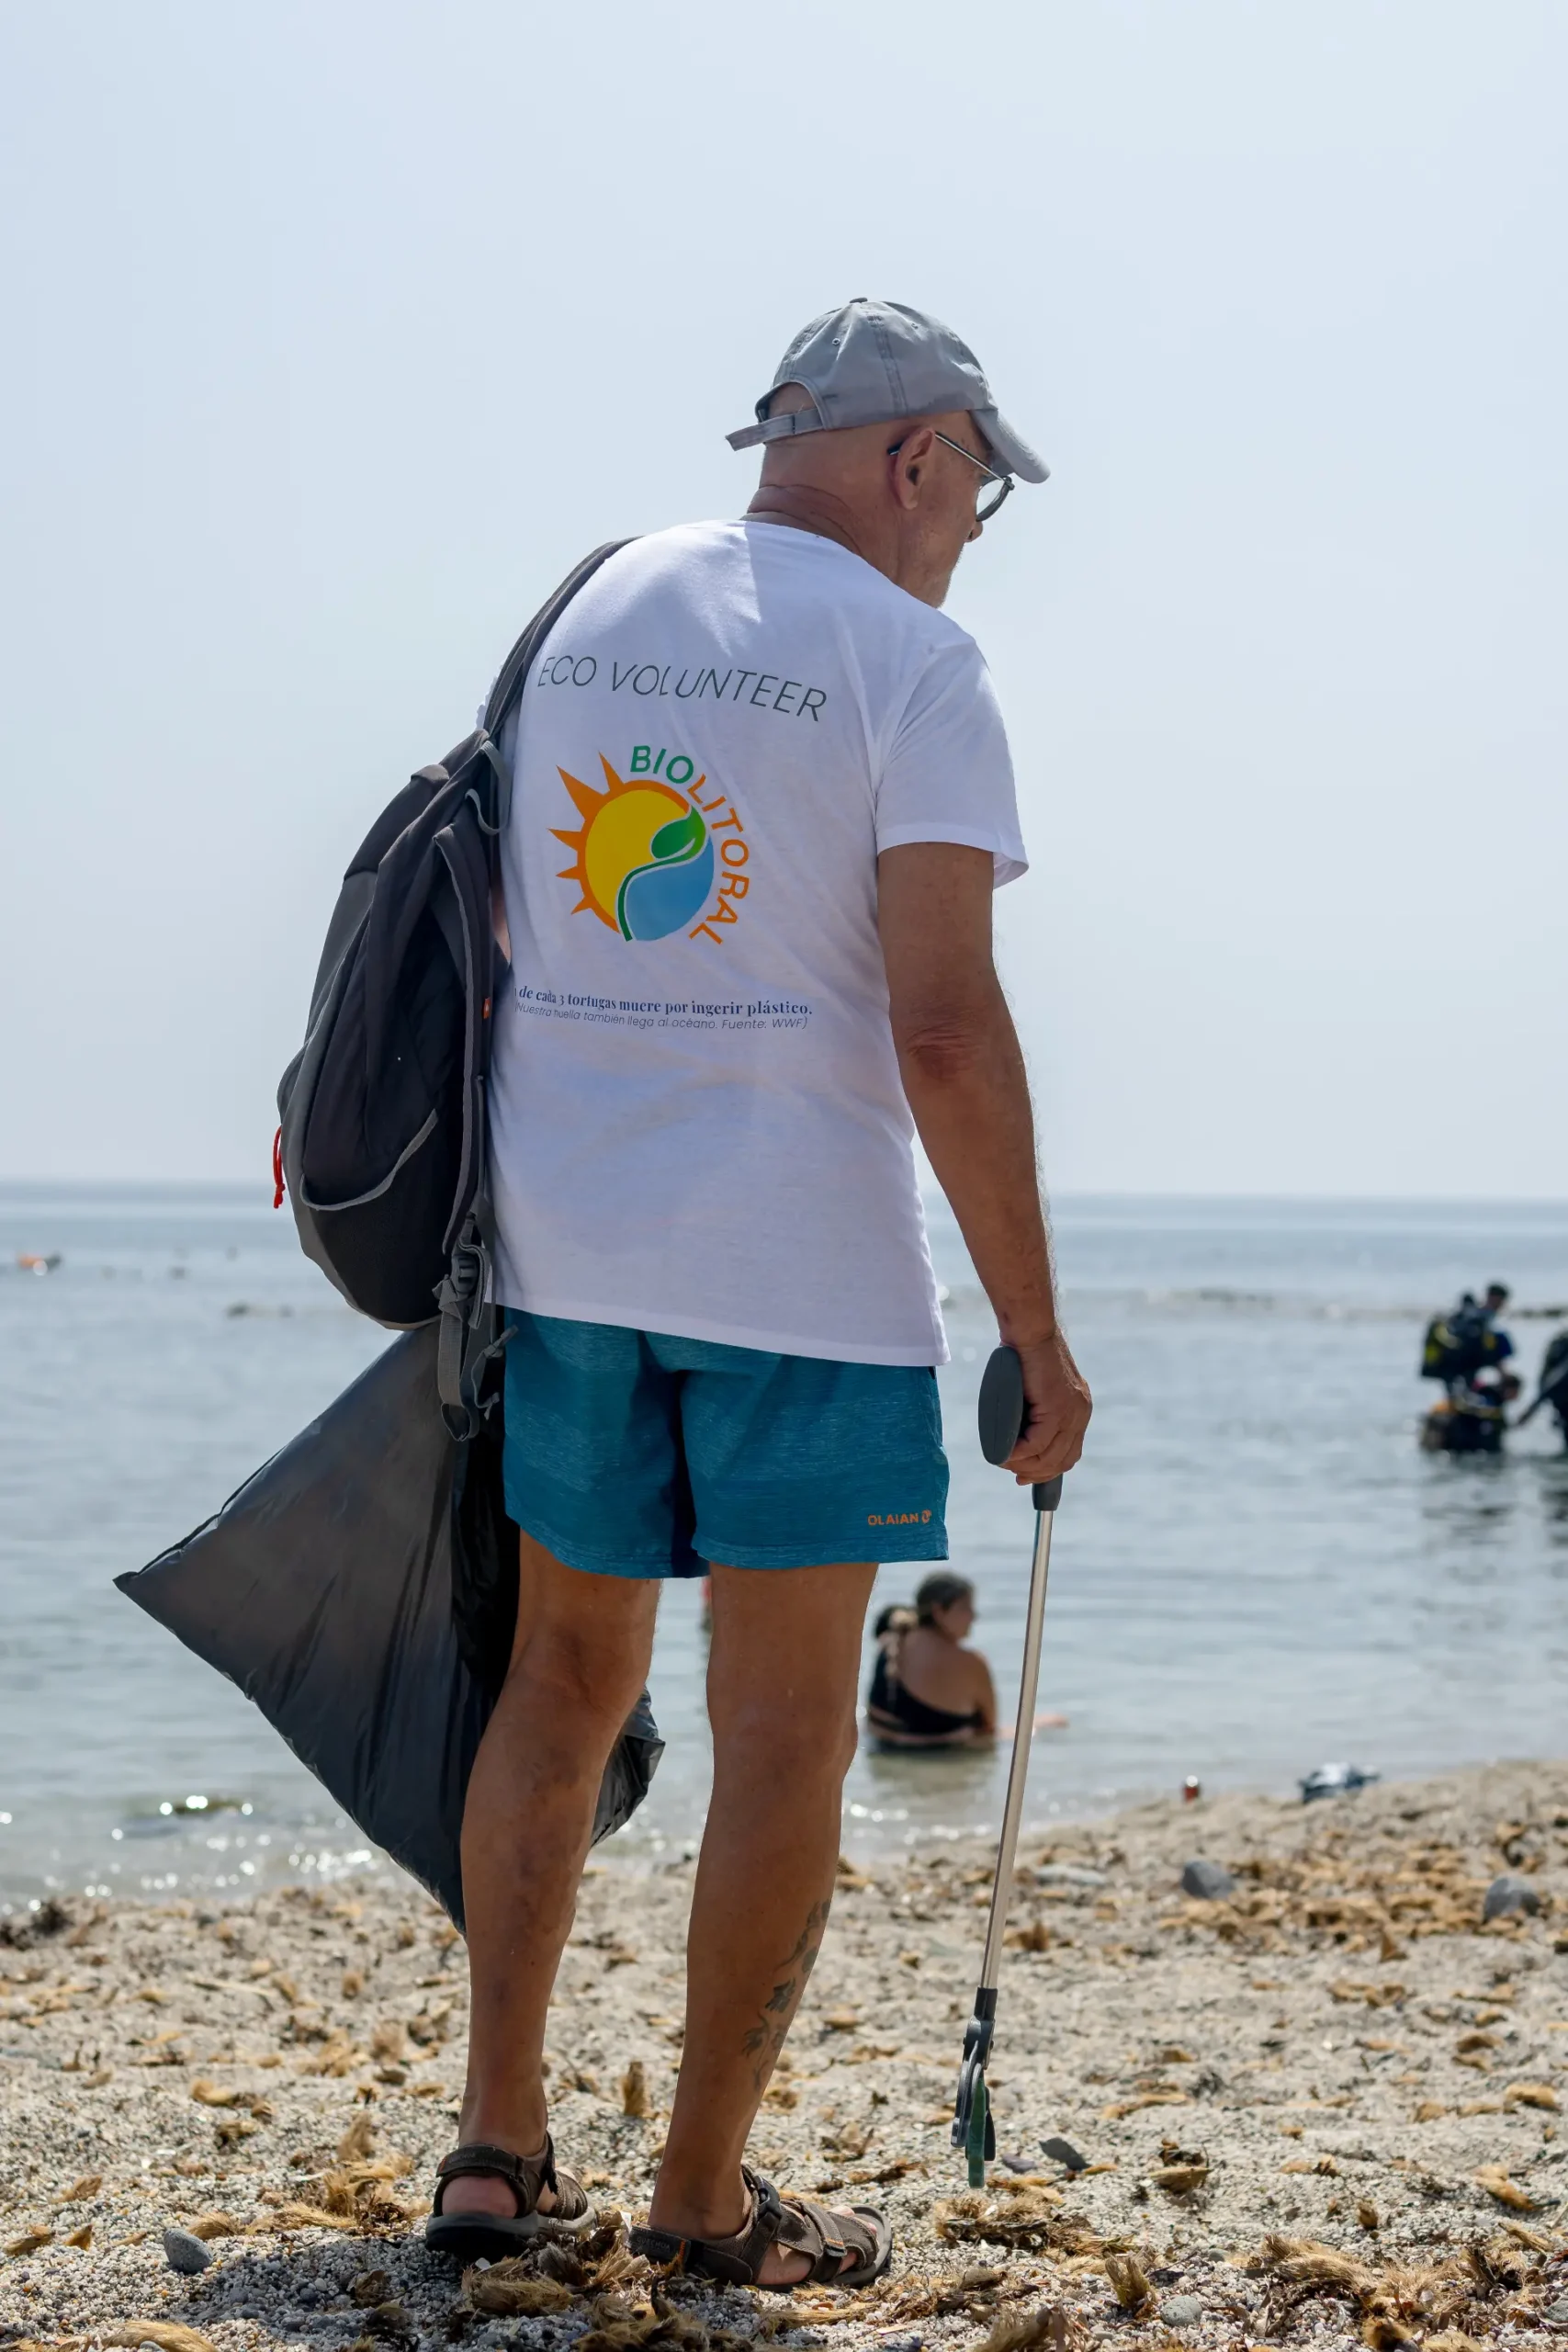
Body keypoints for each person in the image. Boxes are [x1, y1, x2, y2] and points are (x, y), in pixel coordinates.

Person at [427, 299, 1092, 2288]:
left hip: (567, 1250)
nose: (971, 527)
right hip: (799, 1270)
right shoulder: (912, 660)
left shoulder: (593, 600)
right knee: (785, 1727)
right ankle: (703, 2199)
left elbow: (498, 914)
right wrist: (1036, 1331)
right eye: (976, 489)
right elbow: (944, 1028)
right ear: (915, 455)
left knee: (561, 1683)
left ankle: (494, 2146)